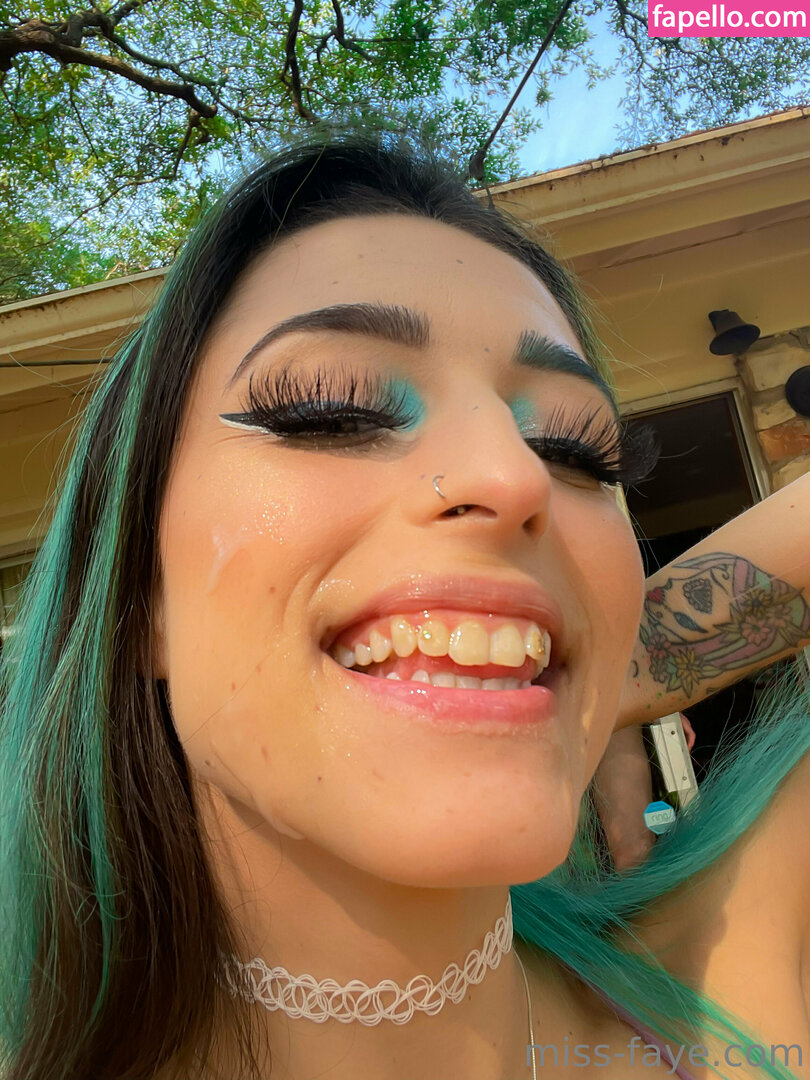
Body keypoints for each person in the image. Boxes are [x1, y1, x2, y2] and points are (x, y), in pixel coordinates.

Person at [0, 130, 808, 1080]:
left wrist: (578, 667)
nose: (513, 475)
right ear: (139, 597)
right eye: (331, 410)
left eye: (576, 448)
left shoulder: (723, 992)